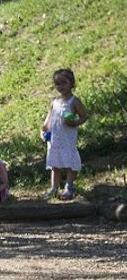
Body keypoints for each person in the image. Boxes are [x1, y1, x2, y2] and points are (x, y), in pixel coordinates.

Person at [42, 68, 88, 200]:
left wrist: (75, 123)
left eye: (64, 83)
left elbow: (84, 116)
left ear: (72, 83)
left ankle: (69, 186)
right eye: (57, 84)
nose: (60, 86)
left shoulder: (74, 101)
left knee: (69, 162)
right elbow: (49, 117)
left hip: (67, 138)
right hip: (55, 138)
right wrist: (44, 128)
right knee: (55, 164)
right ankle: (54, 188)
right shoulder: (54, 102)